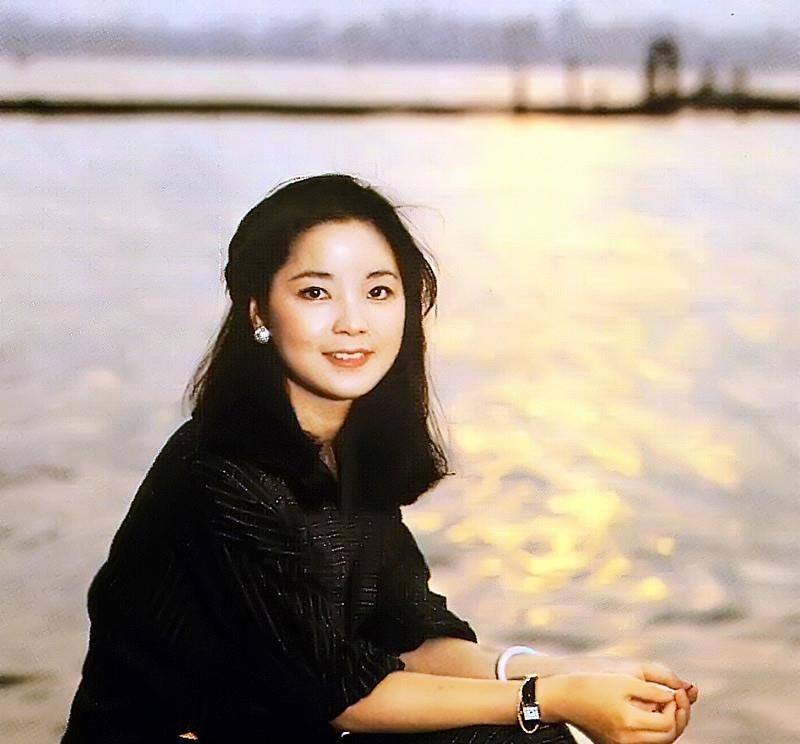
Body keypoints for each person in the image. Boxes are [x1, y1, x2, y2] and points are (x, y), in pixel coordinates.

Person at [61, 174, 698, 743]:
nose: (353, 322)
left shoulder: (345, 451)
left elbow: (412, 639)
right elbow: (339, 693)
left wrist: (580, 674)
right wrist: (550, 700)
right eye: (316, 293)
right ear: (259, 309)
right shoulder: (219, 474)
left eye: (378, 292)